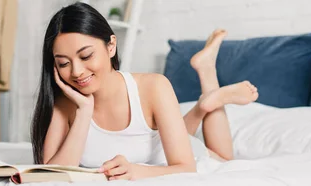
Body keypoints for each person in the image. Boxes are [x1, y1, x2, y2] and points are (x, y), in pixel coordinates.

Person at [30, 2, 259, 181]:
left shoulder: (153, 86)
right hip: (159, 141)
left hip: (178, 153)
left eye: (86, 56)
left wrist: (135, 171)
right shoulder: (67, 103)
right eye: (63, 63)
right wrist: (84, 111)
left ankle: (208, 85)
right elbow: (52, 175)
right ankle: (201, 106)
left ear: (111, 46)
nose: (77, 72)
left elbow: (187, 167)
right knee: (169, 133)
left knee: (224, 159)